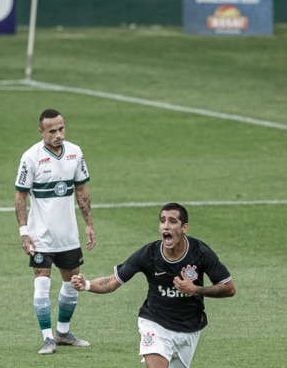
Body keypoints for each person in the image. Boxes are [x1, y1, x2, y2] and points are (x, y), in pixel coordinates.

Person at [70, 203, 235, 368]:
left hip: (189, 327)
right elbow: (111, 282)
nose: (166, 226)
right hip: (155, 322)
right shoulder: (149, 254)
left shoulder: (200, 252)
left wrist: (195, 289)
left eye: (172, 221)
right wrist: (87, 284)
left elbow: (229, 288)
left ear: (184, 227)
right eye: (163, 221)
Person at [14, 108, 95, 354]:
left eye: (61, 129)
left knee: (72, 283)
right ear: (41, 132)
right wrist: (23, 232)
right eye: (52, 131)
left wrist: (88, 224)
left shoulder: (75, 152)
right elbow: (20, 197)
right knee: (42, 283)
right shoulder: (31, 157)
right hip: (40, 237)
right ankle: (47, 338)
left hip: (68, 235)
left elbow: (82, 191)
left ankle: (62, 333)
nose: (58, 135)